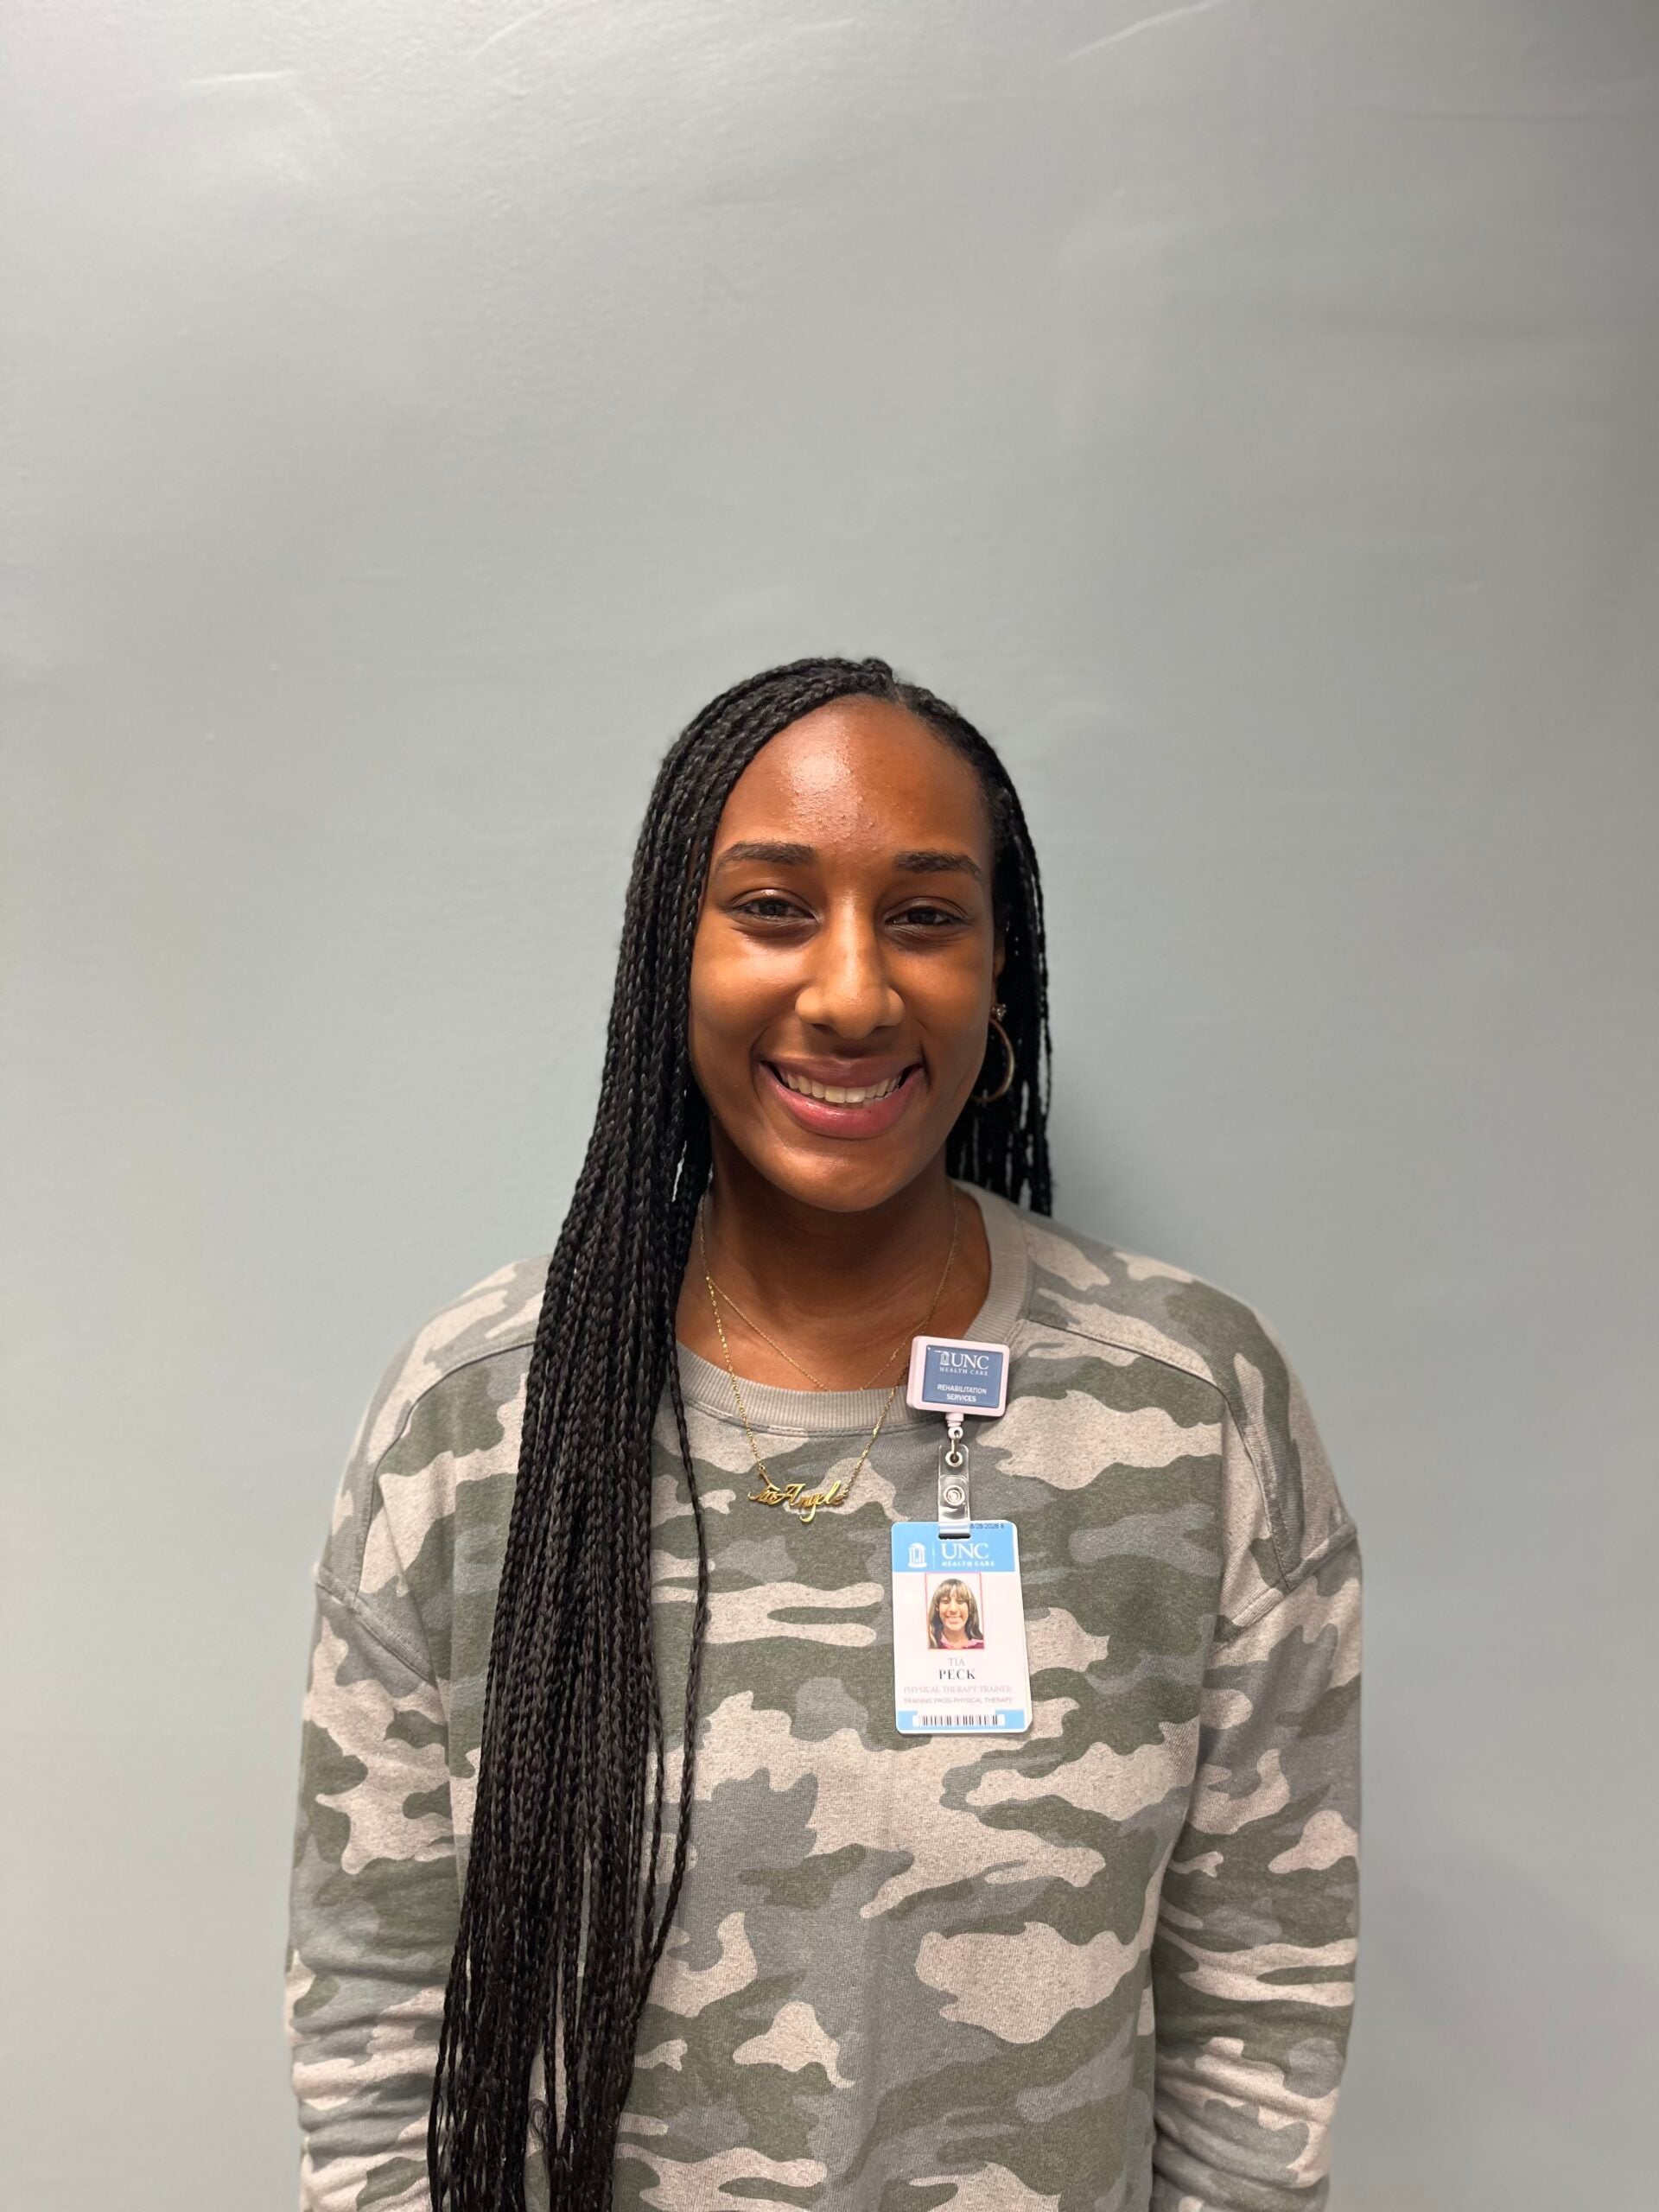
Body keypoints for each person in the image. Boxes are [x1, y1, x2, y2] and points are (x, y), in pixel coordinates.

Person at [286, 654, 1363, 2212]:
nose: (852, 990)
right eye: (775, 907)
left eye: (924, 914)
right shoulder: (479, 1417)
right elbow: (375, 2019)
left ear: (1005, 977)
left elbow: (1261, 2006)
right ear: (676, 959)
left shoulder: (1196, 1404)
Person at [926, 1576, 985, 1649]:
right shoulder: (926, 1644)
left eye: (960, 1602)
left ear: (970, 1607)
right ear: (937, 1607)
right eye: (946, 1602)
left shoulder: (984, 1645)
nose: (953, 1609)